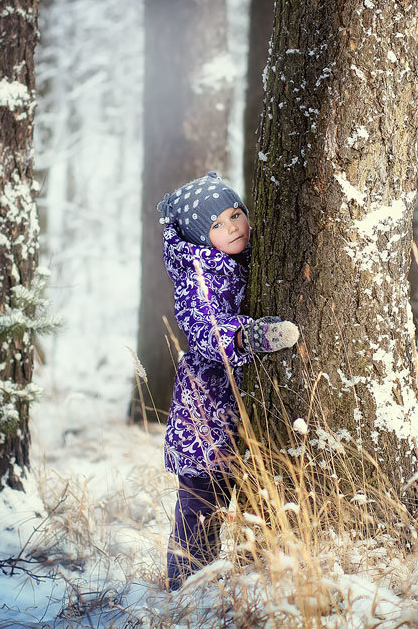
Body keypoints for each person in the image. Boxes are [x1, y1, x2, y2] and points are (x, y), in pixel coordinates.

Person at [156, 171, 298, 591]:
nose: (233, 226)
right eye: (216, 224)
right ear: (201, 237)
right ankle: (185, 586)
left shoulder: (247, 255)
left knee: (259, 499)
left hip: (243, 414)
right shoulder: (198, 271)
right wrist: (247, 335)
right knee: (202, 504)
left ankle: (259, 580)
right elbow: (203, 329)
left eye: (236, 214)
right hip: (206, 418)